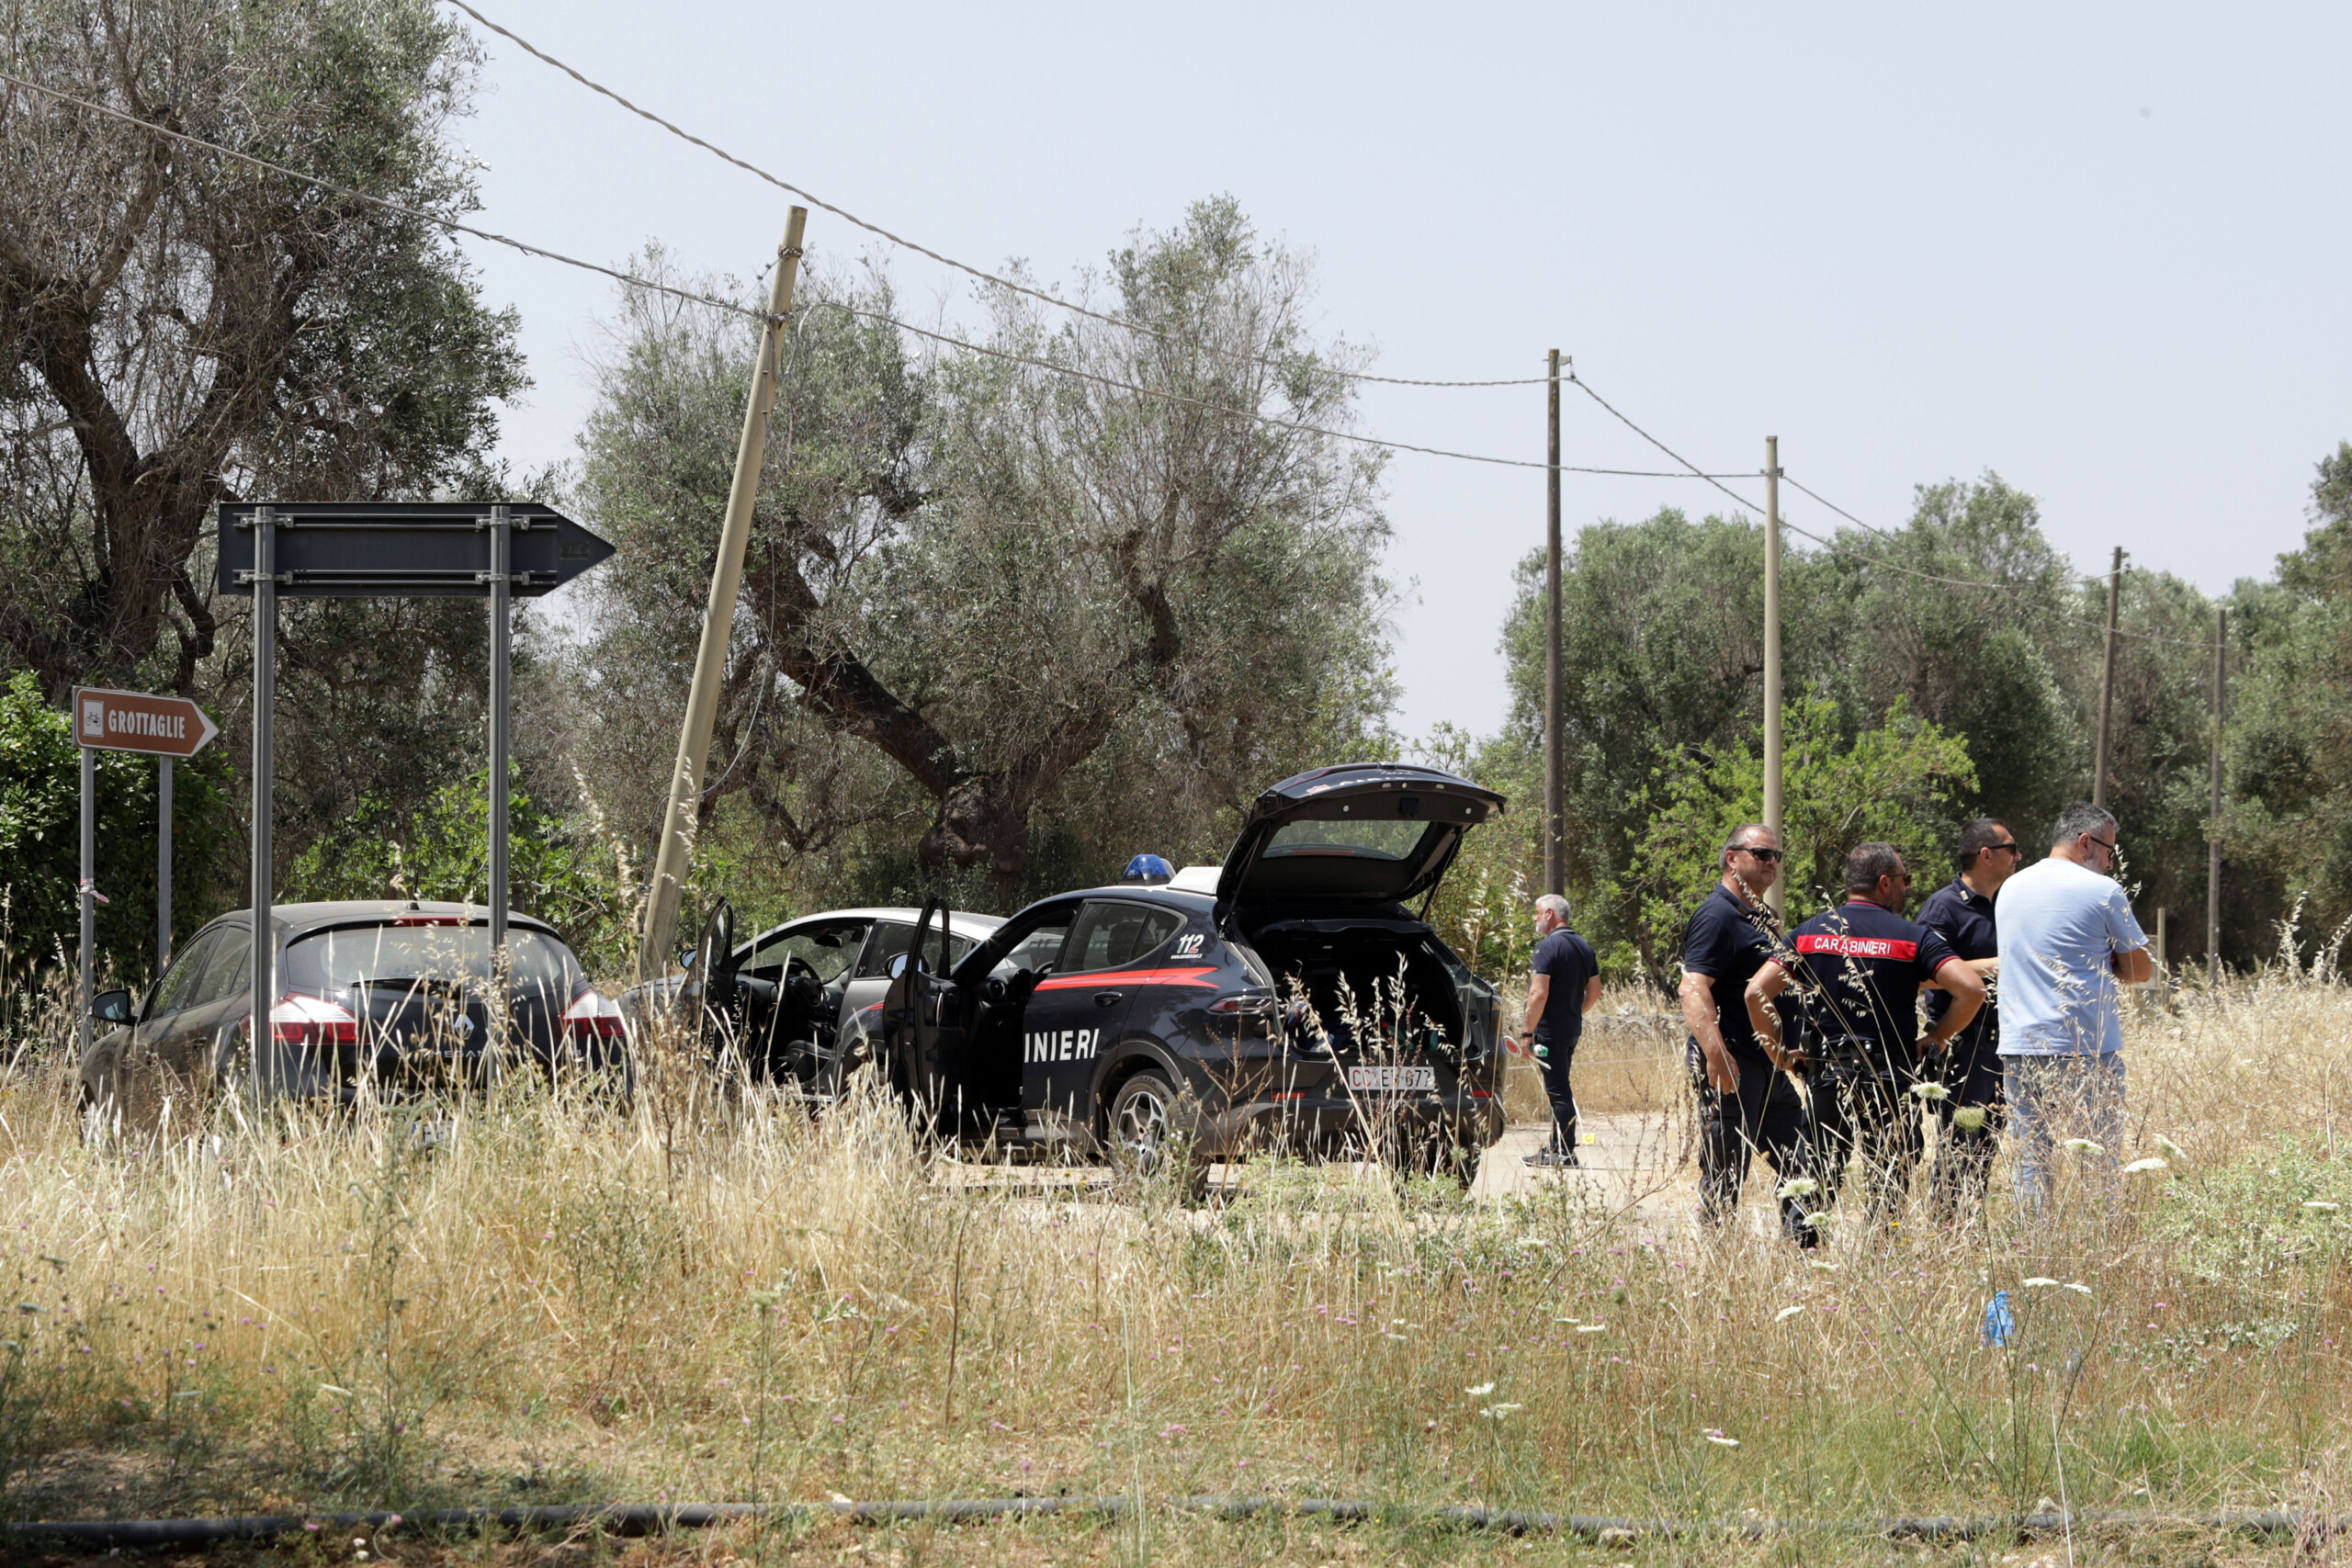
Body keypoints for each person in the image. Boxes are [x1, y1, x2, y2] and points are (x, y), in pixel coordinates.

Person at [1747, 843, 1985, 1233]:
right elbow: (1972, 990)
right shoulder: (1912, 937)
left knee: (1815, 1179)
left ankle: (1803, 1257)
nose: (1908, 887)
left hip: (1828, 1078)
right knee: (1889, 1180)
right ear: (1884, 883)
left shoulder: (1810, 933)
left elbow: (1754, 993)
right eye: (1905, 879)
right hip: (1890, 1080)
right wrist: (1938, 1036)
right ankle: (1883, 1262)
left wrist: (1777, 1053)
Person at [1996, 801, 2154, 1214]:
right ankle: (2098, 1246)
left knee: (2031, 1164)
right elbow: (2139, 969)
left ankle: (2031, 1253)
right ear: (2085, 842)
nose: (2109, 863)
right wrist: (2110, 959)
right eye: (2108, 852)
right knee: (2098, 1160)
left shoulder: (2009, 887)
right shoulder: (2103, 892)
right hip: (2085, 1047)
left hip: (2020, 1046)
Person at [1677, 824, 1811, 1238]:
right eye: (1762, 854)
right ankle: (1717, 1260)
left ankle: (1803, 1247)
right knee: (1726, 1167)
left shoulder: (1756, 915)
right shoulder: (1717, 915)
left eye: (1777, 856)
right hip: (1733, 1062)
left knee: (1802, 1158)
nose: (1772, 863)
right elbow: (1693, 986)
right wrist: (1716, 1054)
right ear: (1732, 858)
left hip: (1766, 1066)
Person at [1916, 818, 2023, 1215]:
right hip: (1964, 1041)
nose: (2018, 857)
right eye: (2012, 849)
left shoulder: (2009, 902)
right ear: (1986, 855)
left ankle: (1967, 1230)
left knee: (1987, 1144)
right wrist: (2000, 965)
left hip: (2007, 1041)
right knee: (1961, 1146)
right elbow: (1923, 973)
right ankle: (1946, 1229)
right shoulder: (1944, 907)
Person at [1521, 893, 1600, 1168]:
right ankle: (1555, 1148)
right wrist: (1575, 1012)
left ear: (1550, 914)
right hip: (1570, 1030)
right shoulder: (1584, 946)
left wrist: (1526, 1033)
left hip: (1549, 1032)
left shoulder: (1548, 948)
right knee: (1559, 1088)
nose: (1534, 917)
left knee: (1558, 1091)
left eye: (1537, 912)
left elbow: (1538, 994)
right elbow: (1595, 992)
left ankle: (1565, 1152)